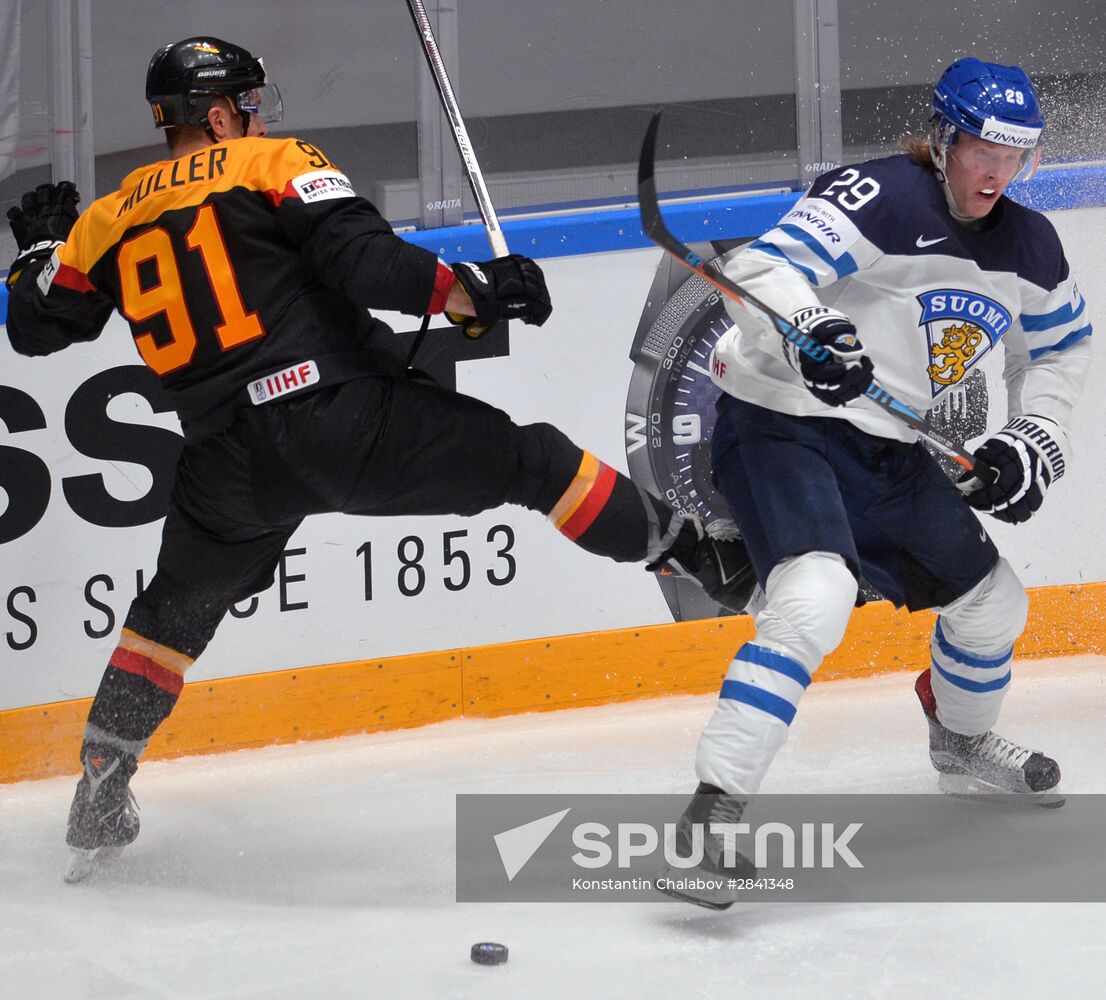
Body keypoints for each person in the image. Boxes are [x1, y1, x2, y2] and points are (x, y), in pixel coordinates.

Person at [4, 37, 755, 882]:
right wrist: (474, 288)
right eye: (245, 105)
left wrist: (38, 254)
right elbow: (362, 260)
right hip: (338, 421)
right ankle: (703, 556)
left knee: (172, 614)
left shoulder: (110, 217)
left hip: (226, 462)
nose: (255, 116)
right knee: (537, 463)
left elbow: (33, 327)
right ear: (217, 115)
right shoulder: (270, 162)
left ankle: (103, 780)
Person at [659, 58, 1091, 908]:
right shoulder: (879, 195)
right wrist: (812, 327)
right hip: (783, 425)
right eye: (981, 150)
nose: (997, 173)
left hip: (889, 450)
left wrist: (1034, 437)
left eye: (1018, 155)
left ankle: (961, 743)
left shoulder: (1030, 245)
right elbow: (759, 269)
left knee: (996, 604)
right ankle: (710, 816)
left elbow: (1060, 350)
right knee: (815, 594)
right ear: (943, 138)